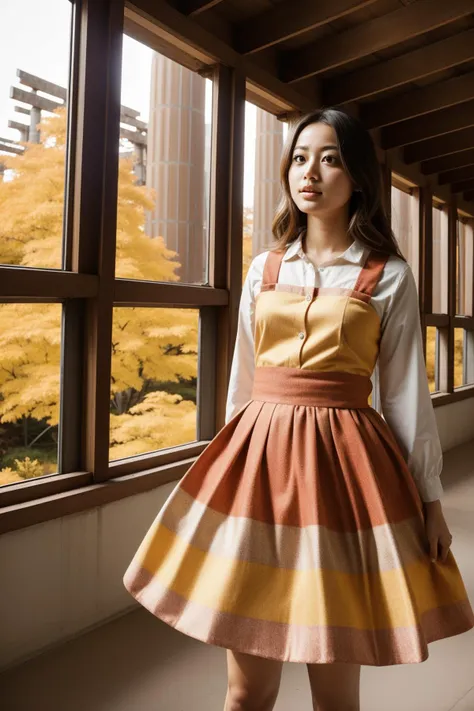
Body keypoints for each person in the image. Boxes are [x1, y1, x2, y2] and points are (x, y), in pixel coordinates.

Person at [124, 108, 474, 711]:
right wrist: (224, 470)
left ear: (359, 176)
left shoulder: (387, 276)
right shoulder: (264, 268)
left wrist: (431, 500)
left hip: (343, 478)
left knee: (334, 694)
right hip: (256, 468)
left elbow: (404, 398)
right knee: (246, 690)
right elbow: (241, 382)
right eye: (301, 156)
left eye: (332, 157)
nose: (310, 171)